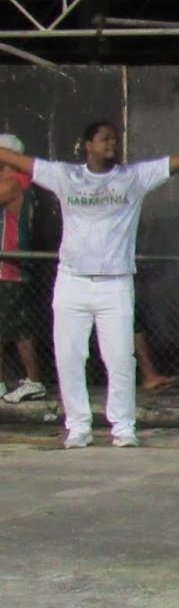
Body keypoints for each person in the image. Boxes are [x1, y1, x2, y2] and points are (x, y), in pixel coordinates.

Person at [0, 121, 179, 448]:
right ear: (87, 145)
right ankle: (78, 426)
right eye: (104, 139)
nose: (111, 144)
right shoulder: (66, 176)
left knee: (120, 358)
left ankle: (123, 427)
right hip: (72, 282)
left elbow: (177, 162)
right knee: (69, 356)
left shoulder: (133, 177)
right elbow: (22, 162)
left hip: (116, 283)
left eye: (115, 139)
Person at [0, 134, 47, 405]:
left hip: (10, 267)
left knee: (19, 328)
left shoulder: (13, 183)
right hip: (6, 266)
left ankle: (34, 379)